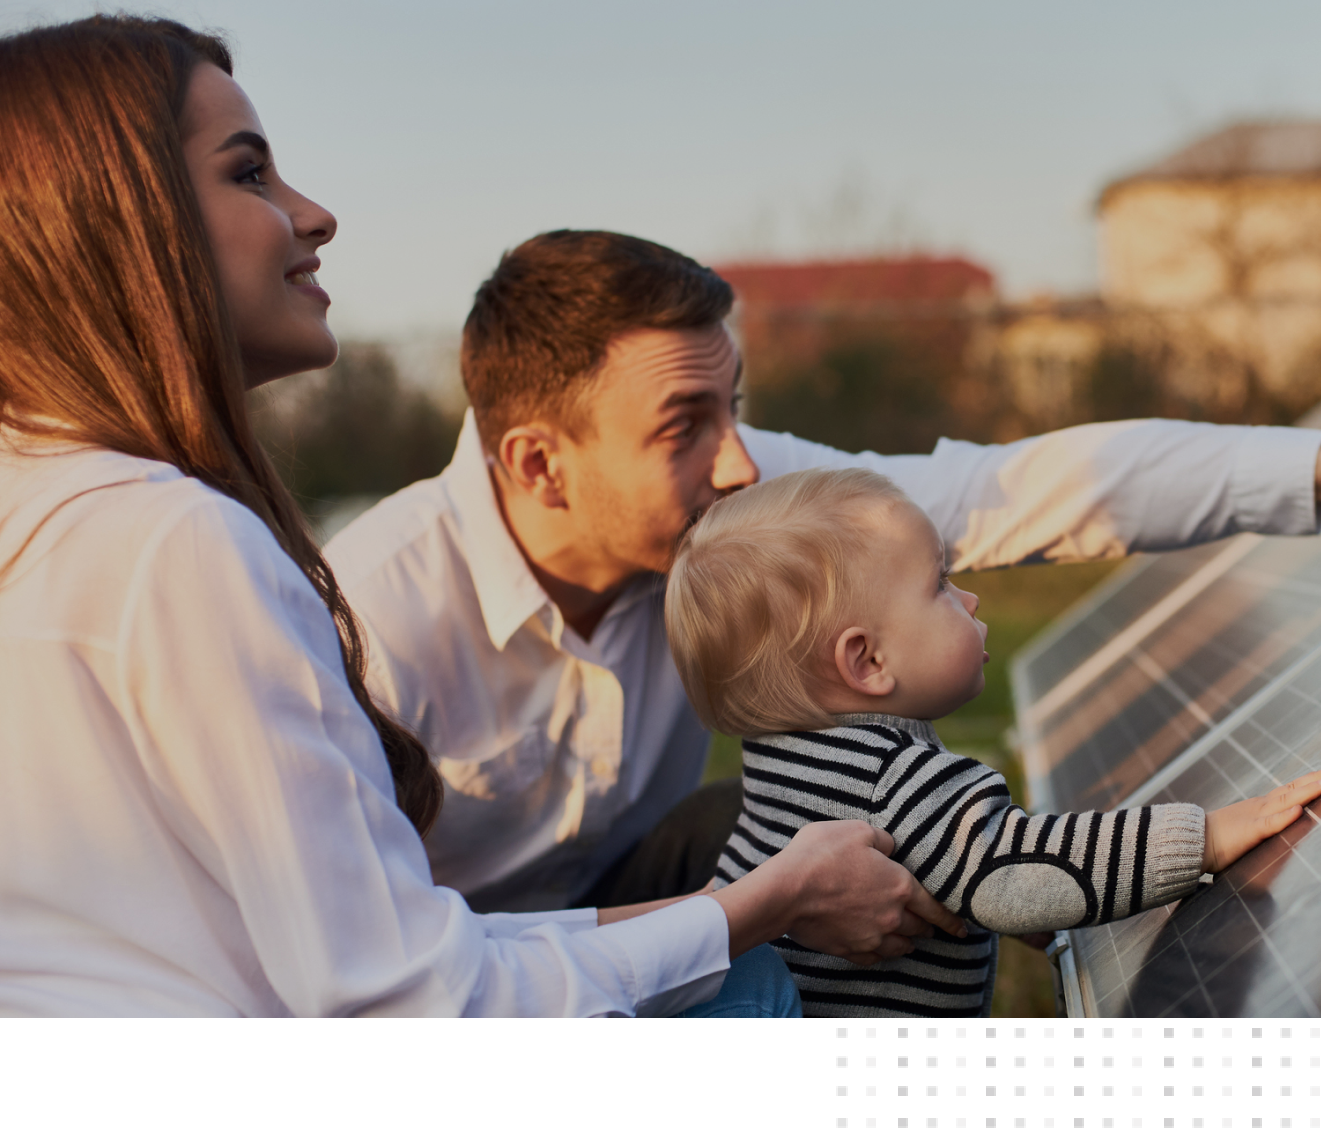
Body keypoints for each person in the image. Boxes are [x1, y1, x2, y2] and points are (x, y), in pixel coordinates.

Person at [0, 15, 959, 1017]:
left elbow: (372, 956)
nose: (315, 215)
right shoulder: (182, 548)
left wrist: (749, 902)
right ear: (116, 227)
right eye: (248, 175)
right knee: (762, 994)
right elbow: (413, 994)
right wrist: (761, 908)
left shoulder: (47, 510)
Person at [329, 230, 1321, 918]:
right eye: (682, 430)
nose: (737, 470)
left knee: (857, 825)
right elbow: (354, 975)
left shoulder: (737, 501)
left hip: (635, 902)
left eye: (737, 409)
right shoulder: (368, 624)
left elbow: (1014, 489)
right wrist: (743, 919)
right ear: (539, 465)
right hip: (448, 982)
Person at [663, 466, 1321, 1015]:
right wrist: (1208, 839)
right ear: (867, 663)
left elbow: (957, 868)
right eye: (940, 585)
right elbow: (1018, 869)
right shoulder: (904, 785)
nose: (971, 600)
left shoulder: (782, 761)